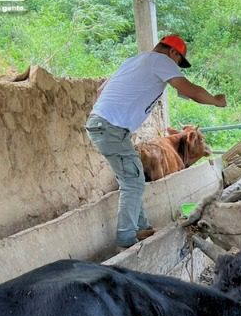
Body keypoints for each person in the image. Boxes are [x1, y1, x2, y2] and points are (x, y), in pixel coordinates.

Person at [85, 34, 226, 248]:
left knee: (134, 177)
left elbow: (100, 90)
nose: (176, 66)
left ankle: (142, 227)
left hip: (104, 125)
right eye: (178, 61)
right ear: (173, 53)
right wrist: (216, 101)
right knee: (132, 182)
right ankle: (125, 238)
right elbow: (192, 91)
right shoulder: (161, 61)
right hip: (111, 128)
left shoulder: (135, 61)